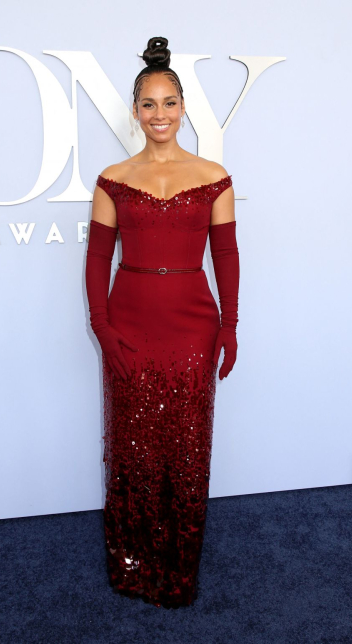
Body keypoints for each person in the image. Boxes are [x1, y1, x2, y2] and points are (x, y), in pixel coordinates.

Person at [85, 36, 240, 609]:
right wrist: (101, 327)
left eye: (168, 103)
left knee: (186, 446)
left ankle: (177, 567)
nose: (158, 114)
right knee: (133, 446)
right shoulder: (112, 179)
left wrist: (229, 325)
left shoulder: (214, 175)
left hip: (193, 326)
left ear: (183, 108)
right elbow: (98, 259)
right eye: (148, 104)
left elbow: (225, 255)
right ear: (134, 111)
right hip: (129, 322)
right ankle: (132, 563)